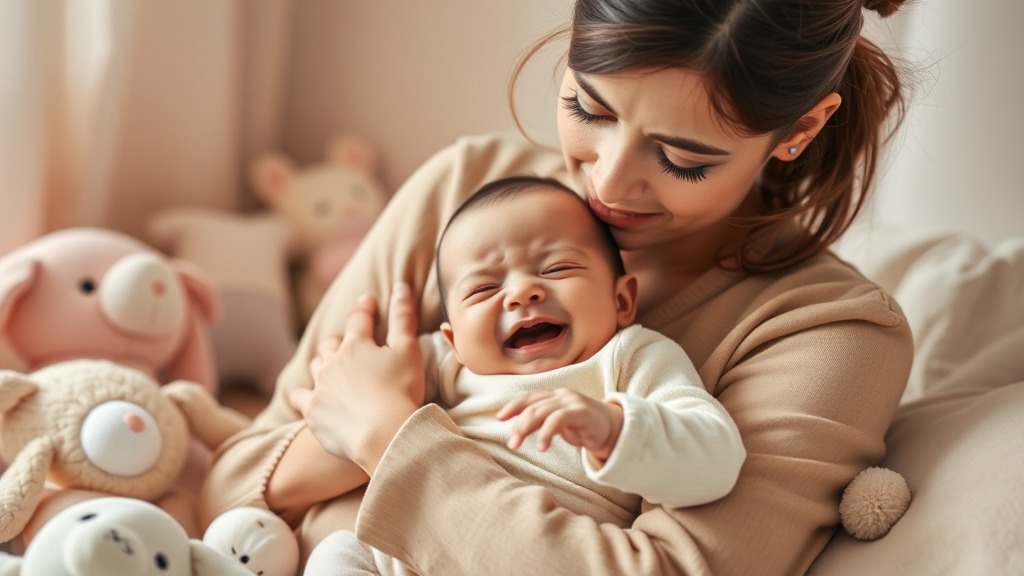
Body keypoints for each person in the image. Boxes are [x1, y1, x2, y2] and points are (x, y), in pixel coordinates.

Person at [199, 0, 915, 574]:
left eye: (681, 157)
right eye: (589, 110)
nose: (606, 180)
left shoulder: (830, 331)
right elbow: (234, 488)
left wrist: (382, 437)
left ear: (803, 127)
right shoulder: (467, 189)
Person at [302, 176, 746, 575]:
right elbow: (354, 389)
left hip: (529, 552)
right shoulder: (446, 363)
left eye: (557, 268)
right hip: (407, 556)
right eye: (484, 288)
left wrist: (615, 429)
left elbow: (717, 460)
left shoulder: (630, 357)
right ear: (453, 338)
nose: (521, 292)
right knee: (337, 553)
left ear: (623, 300)